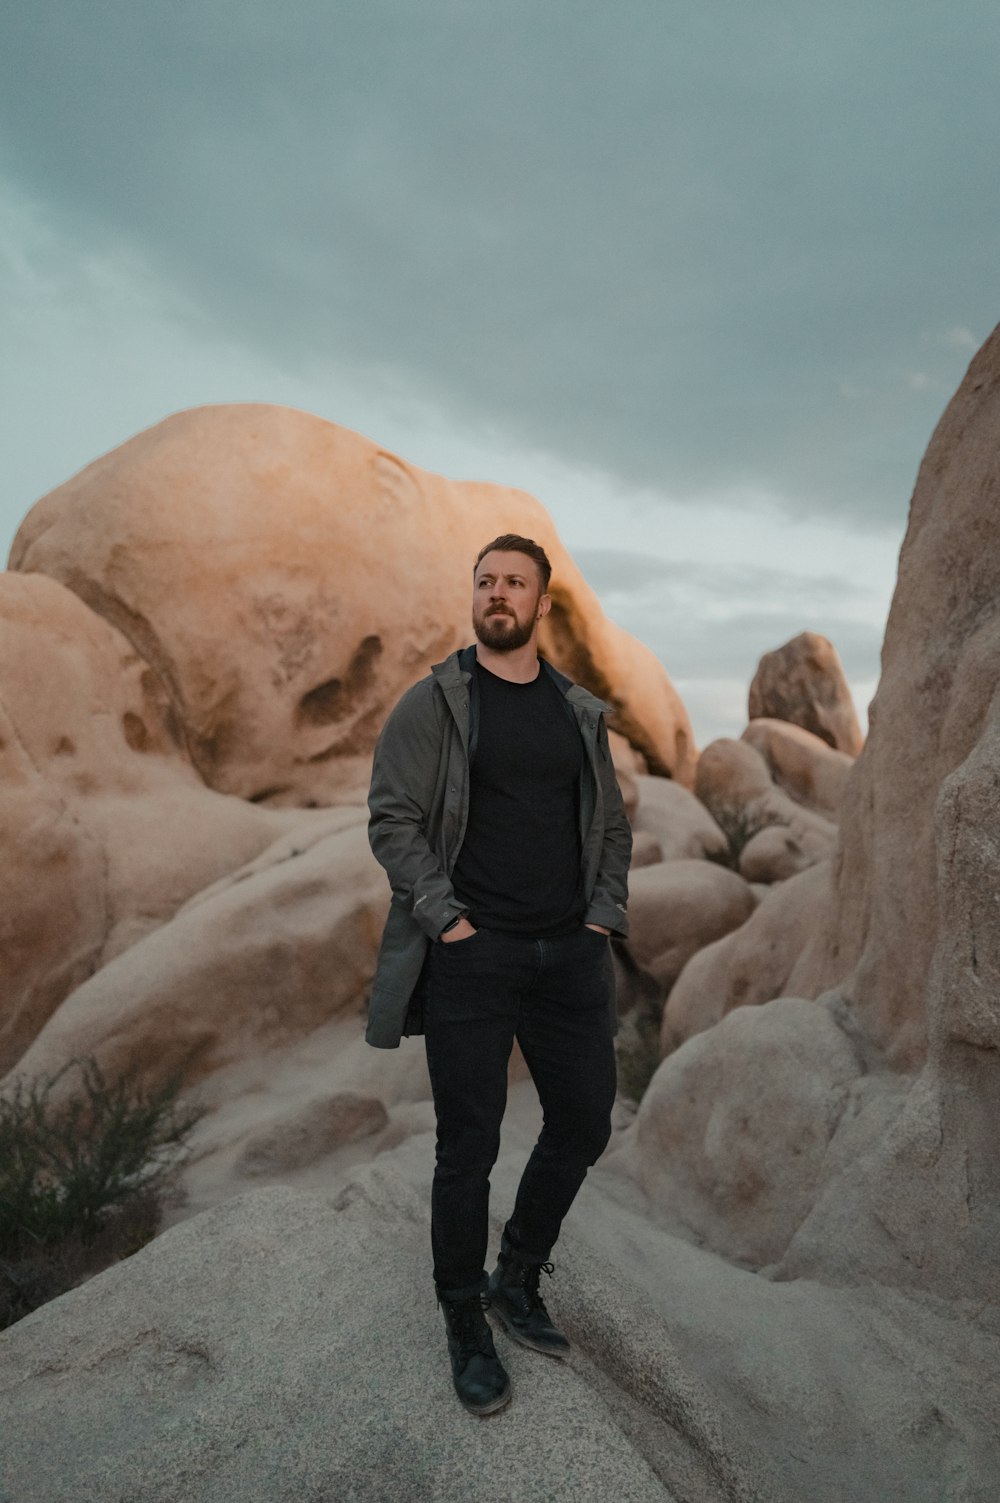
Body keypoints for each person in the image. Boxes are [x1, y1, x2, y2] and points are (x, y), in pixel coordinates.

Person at [366, 533, 631, 1416]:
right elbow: (392, 818)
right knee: (467, 1145)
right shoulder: (435, 703)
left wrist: (601, 916)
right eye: (485, 581)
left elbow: (613, 828)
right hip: (475, 958)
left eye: (515, 582)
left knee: (586, 1117)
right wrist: (451, 921)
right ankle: (463, 1317)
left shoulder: (576, 711)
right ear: (474, 597)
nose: (497, 593)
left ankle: (516, 1273)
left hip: (567, 955)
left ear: (543, 605)